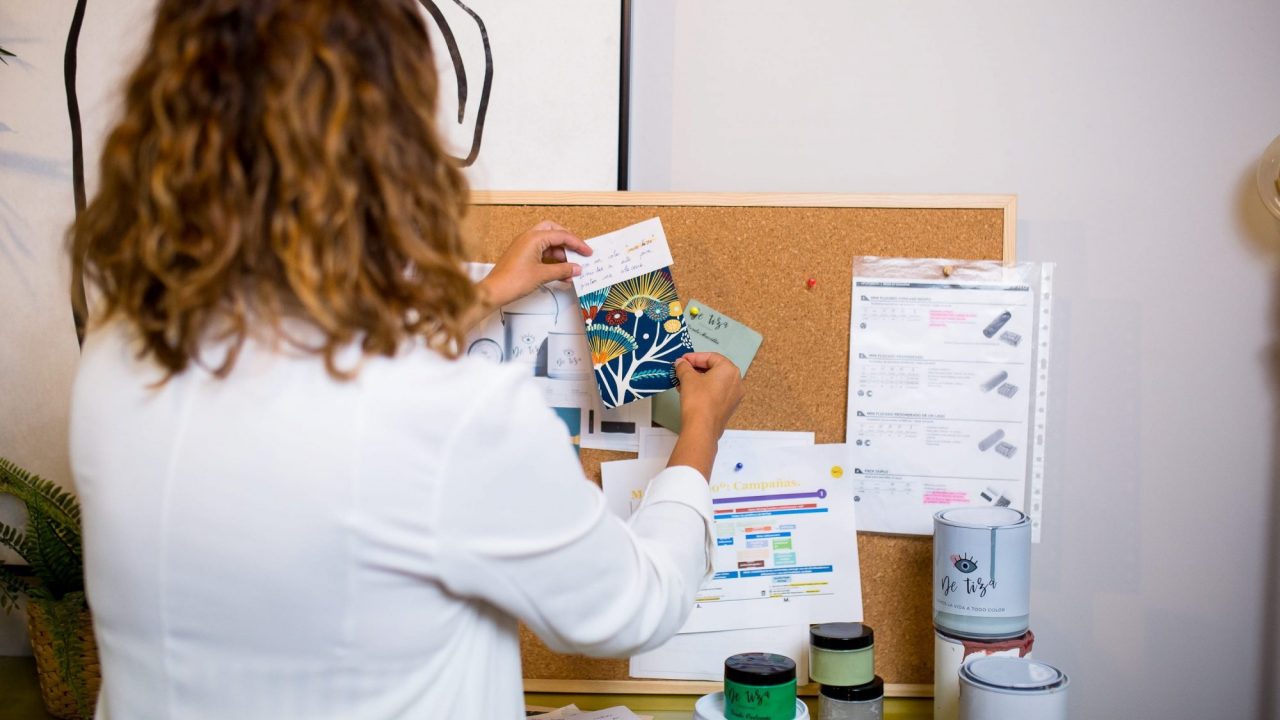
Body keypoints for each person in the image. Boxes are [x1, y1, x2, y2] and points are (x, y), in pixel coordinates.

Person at [66, 1, 745, 718]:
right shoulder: (457, 416)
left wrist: (483, 294)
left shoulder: (115, 354)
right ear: (391, 152)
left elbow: (322, 376)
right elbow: (635, 605)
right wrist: (700, 429)